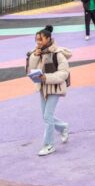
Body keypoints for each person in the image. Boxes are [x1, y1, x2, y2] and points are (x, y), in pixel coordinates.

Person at [27, 25, 71, 156]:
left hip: (55, 88)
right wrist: (35, 56)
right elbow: (31, 68)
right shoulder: (36, 52)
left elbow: (64, 73)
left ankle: (49, 145)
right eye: (36, 40)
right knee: (46, 116)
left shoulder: (58, 53)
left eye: (40, 39)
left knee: (47, 116)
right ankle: (63, 127)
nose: (38, 42)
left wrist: (46, 77)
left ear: (48, 38)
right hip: (42, 88)